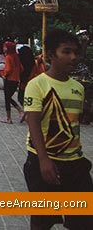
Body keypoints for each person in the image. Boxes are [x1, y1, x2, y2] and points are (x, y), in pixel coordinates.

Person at [23, 29, 93, 229]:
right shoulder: (37, 85)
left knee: (84, 220)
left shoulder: (78, 88)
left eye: (76, 53)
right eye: (67, 52)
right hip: (43, 161)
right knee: (43, 221)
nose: (73, 57)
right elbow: (33, 123)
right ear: (52, 55)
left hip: (75, 164)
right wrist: (44, 161)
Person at [1, 41, 24, 124]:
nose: (4, 48)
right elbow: (21, 69)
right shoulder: (16, 57)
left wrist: (4, 74)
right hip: (16, 80)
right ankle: (20, 111)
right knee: (8, 97)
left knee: (7, 99)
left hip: (9, 79)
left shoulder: (8, 57)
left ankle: (9, 117)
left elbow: (8, 69)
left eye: (5, 47)